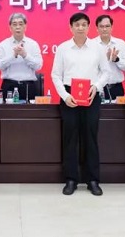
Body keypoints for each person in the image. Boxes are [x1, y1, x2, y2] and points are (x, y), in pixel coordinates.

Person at [51, 12, 109, 196]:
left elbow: (105, 72)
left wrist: (96, 87)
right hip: (69, 95)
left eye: (84, 24)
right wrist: (65, 95)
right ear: (71, 27)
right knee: (70, 138)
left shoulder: (97, 48)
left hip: (91, 94)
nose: (81, 28)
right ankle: (71, 179)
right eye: (77, 25)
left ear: (89, 27)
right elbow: (55, 75)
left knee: (90, 137)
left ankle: (92, 180)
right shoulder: (63, 48)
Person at [0, 13, 43, 101]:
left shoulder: (33, 44)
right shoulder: (3, 45)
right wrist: (13, 55)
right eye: (14, 24)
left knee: (30, 110)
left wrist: (25, 55)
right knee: (7, 110)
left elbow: (38, 66)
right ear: (10, 27)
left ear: (25, 27)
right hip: (9, 86)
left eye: (21, 24)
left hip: (29, 87)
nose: (18, 27)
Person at [94, 15, 125, 99]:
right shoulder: (92, 45)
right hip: (97, 88)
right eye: (101, 26)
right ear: (97, 28)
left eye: (107, 26)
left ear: (111, 27)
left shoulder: (120, 44)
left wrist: (117, 60)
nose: (104, 29)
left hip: (116, 88)